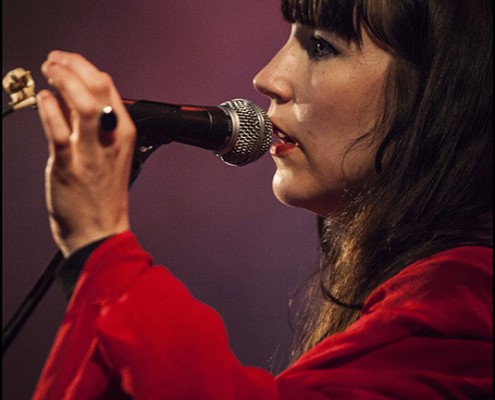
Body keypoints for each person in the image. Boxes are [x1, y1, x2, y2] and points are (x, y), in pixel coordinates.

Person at [33, 0, 492, 398]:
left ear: (444, 91)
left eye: (321, 46)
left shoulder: (469, 301)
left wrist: (103, 251)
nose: (267, 78)